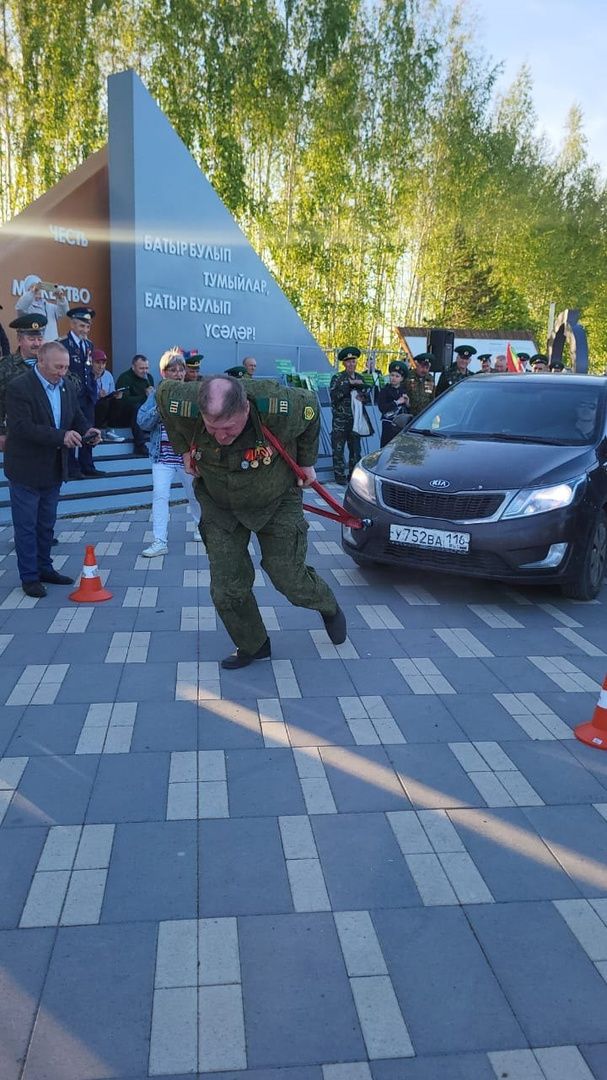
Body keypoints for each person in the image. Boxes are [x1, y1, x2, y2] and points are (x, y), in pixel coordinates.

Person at [156, 373, 347, 668]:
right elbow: (162, 397)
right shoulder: (181, 402)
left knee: (287, 576)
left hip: (277, 498)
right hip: (219, 503)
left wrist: (307, 462)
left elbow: (310, 407)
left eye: (229, 427)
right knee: (226, 588)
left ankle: (327, 605)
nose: (221, 436)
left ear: (245, 408)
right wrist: (183, 450)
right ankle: (253, 645)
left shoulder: (276, 404)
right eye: (212, 428)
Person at [4, 341, 101, 598]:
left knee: (46, 525)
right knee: (26, 526)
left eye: (66, 367)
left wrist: (88, 430)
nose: (63, 372)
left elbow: (76, 416)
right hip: (25, 469)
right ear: (41, 362)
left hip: (54, 469)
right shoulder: (19, 387)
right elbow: (22, 427)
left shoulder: (68, 386)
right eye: (58, 367)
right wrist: (62, 437)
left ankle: (45, 568)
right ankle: (30, 577)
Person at [137, 349, 202, 557]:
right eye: (172, 370)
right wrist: (159, 408)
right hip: (162, 456)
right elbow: (142, 422)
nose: (177, 374)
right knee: (160, 496)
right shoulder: (157, 395)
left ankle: (202, 528)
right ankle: (159, 541)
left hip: (186, 457)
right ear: (163, 373)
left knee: (194, 495)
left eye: (180, 369)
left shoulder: (191, 393)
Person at [59, 306, 103, 478]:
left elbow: (89, 370)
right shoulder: (63, 344)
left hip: (87, 396)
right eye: (81, 326)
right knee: (71, 429)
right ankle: (72, 467)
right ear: (72, 325)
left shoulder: (89, 344)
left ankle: (87, 465)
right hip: (70, 396)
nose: (85, 330)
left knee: (88, 430)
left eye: (87, 326)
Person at [0, 314, 47, 447]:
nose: (37, 344)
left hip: (49, 434)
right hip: (17, 435)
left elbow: (72, 386)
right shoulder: (5, 366)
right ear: (20, 340)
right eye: (31, 339)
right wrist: (1, 432)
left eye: (39, 338)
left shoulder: (50, 363)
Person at [330, 345, 372, 485]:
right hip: (340, 421)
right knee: (338, 450)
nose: (351, 364)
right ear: (344, 363)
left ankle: (353, 475)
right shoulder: (338, 377)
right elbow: (334, 396)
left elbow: (367, 396)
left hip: (356, 420)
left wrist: (363, 395)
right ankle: (339, 476)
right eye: (348, 362)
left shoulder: (360, 377)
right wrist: (348, 385)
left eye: (353, 361)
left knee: (355, 450)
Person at [115, 354, 155, 455]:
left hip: (142, 414)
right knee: (136, 407)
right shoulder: (125, 378)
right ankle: (140, 445)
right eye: (141, 368)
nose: (145, 371)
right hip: (123, 414)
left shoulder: (149, 378)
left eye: (147, 368)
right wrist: (145, 396)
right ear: (133, 367)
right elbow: (124, 400)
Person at [91, 349, 125, 442]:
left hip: (105, 406)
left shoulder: (108, 375)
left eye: (103, 363)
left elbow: (111, 392)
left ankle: (110, 429)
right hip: (92, 407)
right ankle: (100, 431)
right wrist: (97, 395)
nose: (101, 366)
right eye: (97, 363)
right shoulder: (87, 376)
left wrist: (115, 395)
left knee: (117, 401)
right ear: (91, 363)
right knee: (103, 402)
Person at [378, 361, 410, 447]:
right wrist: (397, 402)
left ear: (402, 379)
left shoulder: (404, 391)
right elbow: (382, 408)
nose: (394, 378)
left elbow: (407, 410)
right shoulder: (384, 391)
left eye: (397, 376)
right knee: (386, 447)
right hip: (388, 424)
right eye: (392, 375)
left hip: (401, 425)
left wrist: (407, 403)